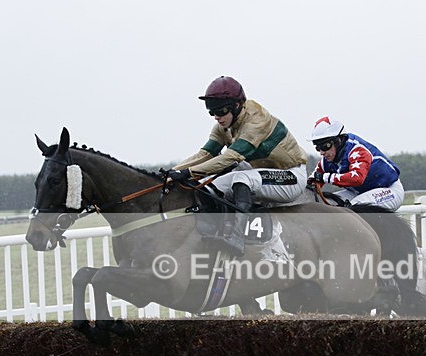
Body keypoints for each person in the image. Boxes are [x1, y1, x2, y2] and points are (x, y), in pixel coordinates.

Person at [166, 76, 308, 256]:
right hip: (259, 172)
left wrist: (188, 172)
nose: (217, 117)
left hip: (291, 176)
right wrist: (173, 172)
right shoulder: (223, 126)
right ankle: (219, 230)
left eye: (221, 111)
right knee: (209, 187)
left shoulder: (257, 121)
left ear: (237, 105)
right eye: (212, 112)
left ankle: (237, 237)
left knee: (242, 178)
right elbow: (205, 154)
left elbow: (230, 157)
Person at [308, 116, 404, 212]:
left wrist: (325, 177)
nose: (322, 152)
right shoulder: (327, 159)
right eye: (318, 148)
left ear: (338, 141)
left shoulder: (358, 150)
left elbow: (357, 178)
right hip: (357, 192)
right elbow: (312, 182)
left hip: (389, 190)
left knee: (353, 208)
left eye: (325, 146)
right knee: (326, 205)